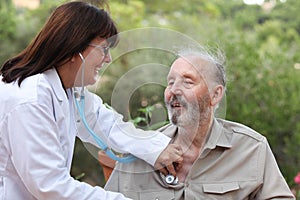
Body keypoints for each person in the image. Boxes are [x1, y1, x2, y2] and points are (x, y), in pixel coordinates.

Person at [0, 1, 183, 200]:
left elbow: (106, 124)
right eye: (104, 49)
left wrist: (157, 149)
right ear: (75, 47)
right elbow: (50, 186)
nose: (108, 59)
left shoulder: (69, 90)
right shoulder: (30, 99)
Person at [104, 48, 295, 199]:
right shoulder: (141, 151)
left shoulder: (252, 149)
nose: (174, 90)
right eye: (170, 82)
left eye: (187, 82)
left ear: (215, 95)